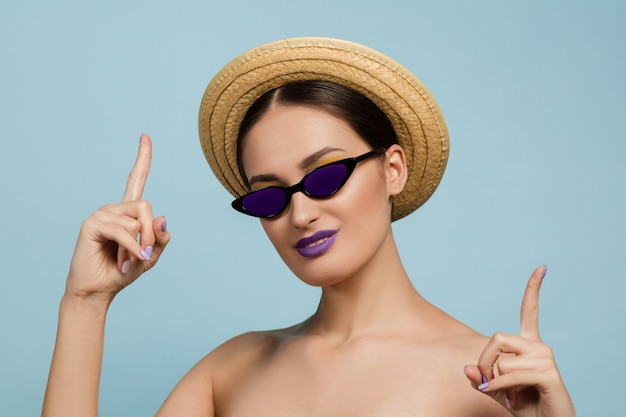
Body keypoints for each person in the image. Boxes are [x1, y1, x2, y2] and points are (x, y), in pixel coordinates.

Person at [42, 37, 576, 417]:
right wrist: (84, 304)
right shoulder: (230, 370)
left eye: (324, 178)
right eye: (270, 196)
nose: (300, 214)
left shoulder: (493, 384)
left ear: (393, 169)